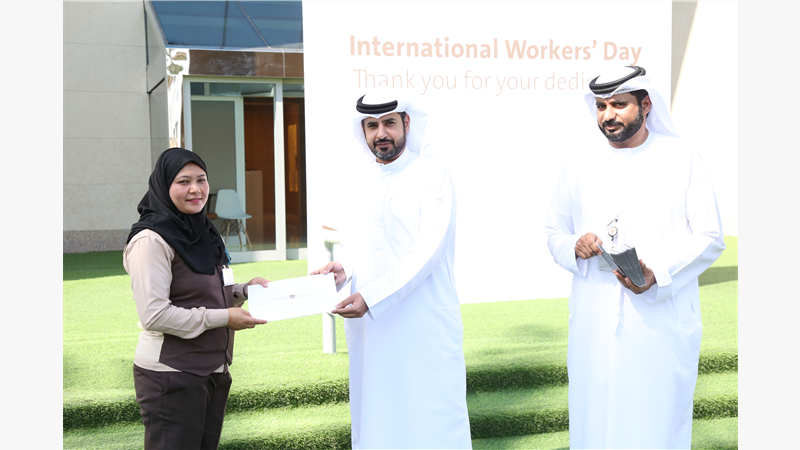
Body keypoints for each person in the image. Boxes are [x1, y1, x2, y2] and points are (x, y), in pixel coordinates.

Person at [544, 66, 726, 449]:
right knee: (596, 422)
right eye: (601, 106)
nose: (608, 115)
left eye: (619, 104)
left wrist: (657, 273)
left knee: (654, 425)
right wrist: (574, 244)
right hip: (594, 321)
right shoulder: (578, 162)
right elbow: (553, 231)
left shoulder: (681, 157)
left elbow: (710, 237)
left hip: (660, 321)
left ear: (646, 105)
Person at [312, 92, 472, 449]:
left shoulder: (432, 173)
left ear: (407, 124)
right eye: (372, 126)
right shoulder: (362, 178)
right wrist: (344, 267)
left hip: (422, 321)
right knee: (377, 415)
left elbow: (427, 252)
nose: (381, 133)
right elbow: (361, 242)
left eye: (389, 123)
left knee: (428, 417)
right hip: (371, 328)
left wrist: (371, 297)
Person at [123, 147, 269, 450]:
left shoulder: (204, 230)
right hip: (171, 375)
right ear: (164, 186)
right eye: (183, 181)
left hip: (213, 369)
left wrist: (244, 290)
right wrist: (225, 317)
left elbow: (208, 287)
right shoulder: (150, 240)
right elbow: (155, 315)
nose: (195, 189)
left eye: (201, 180)